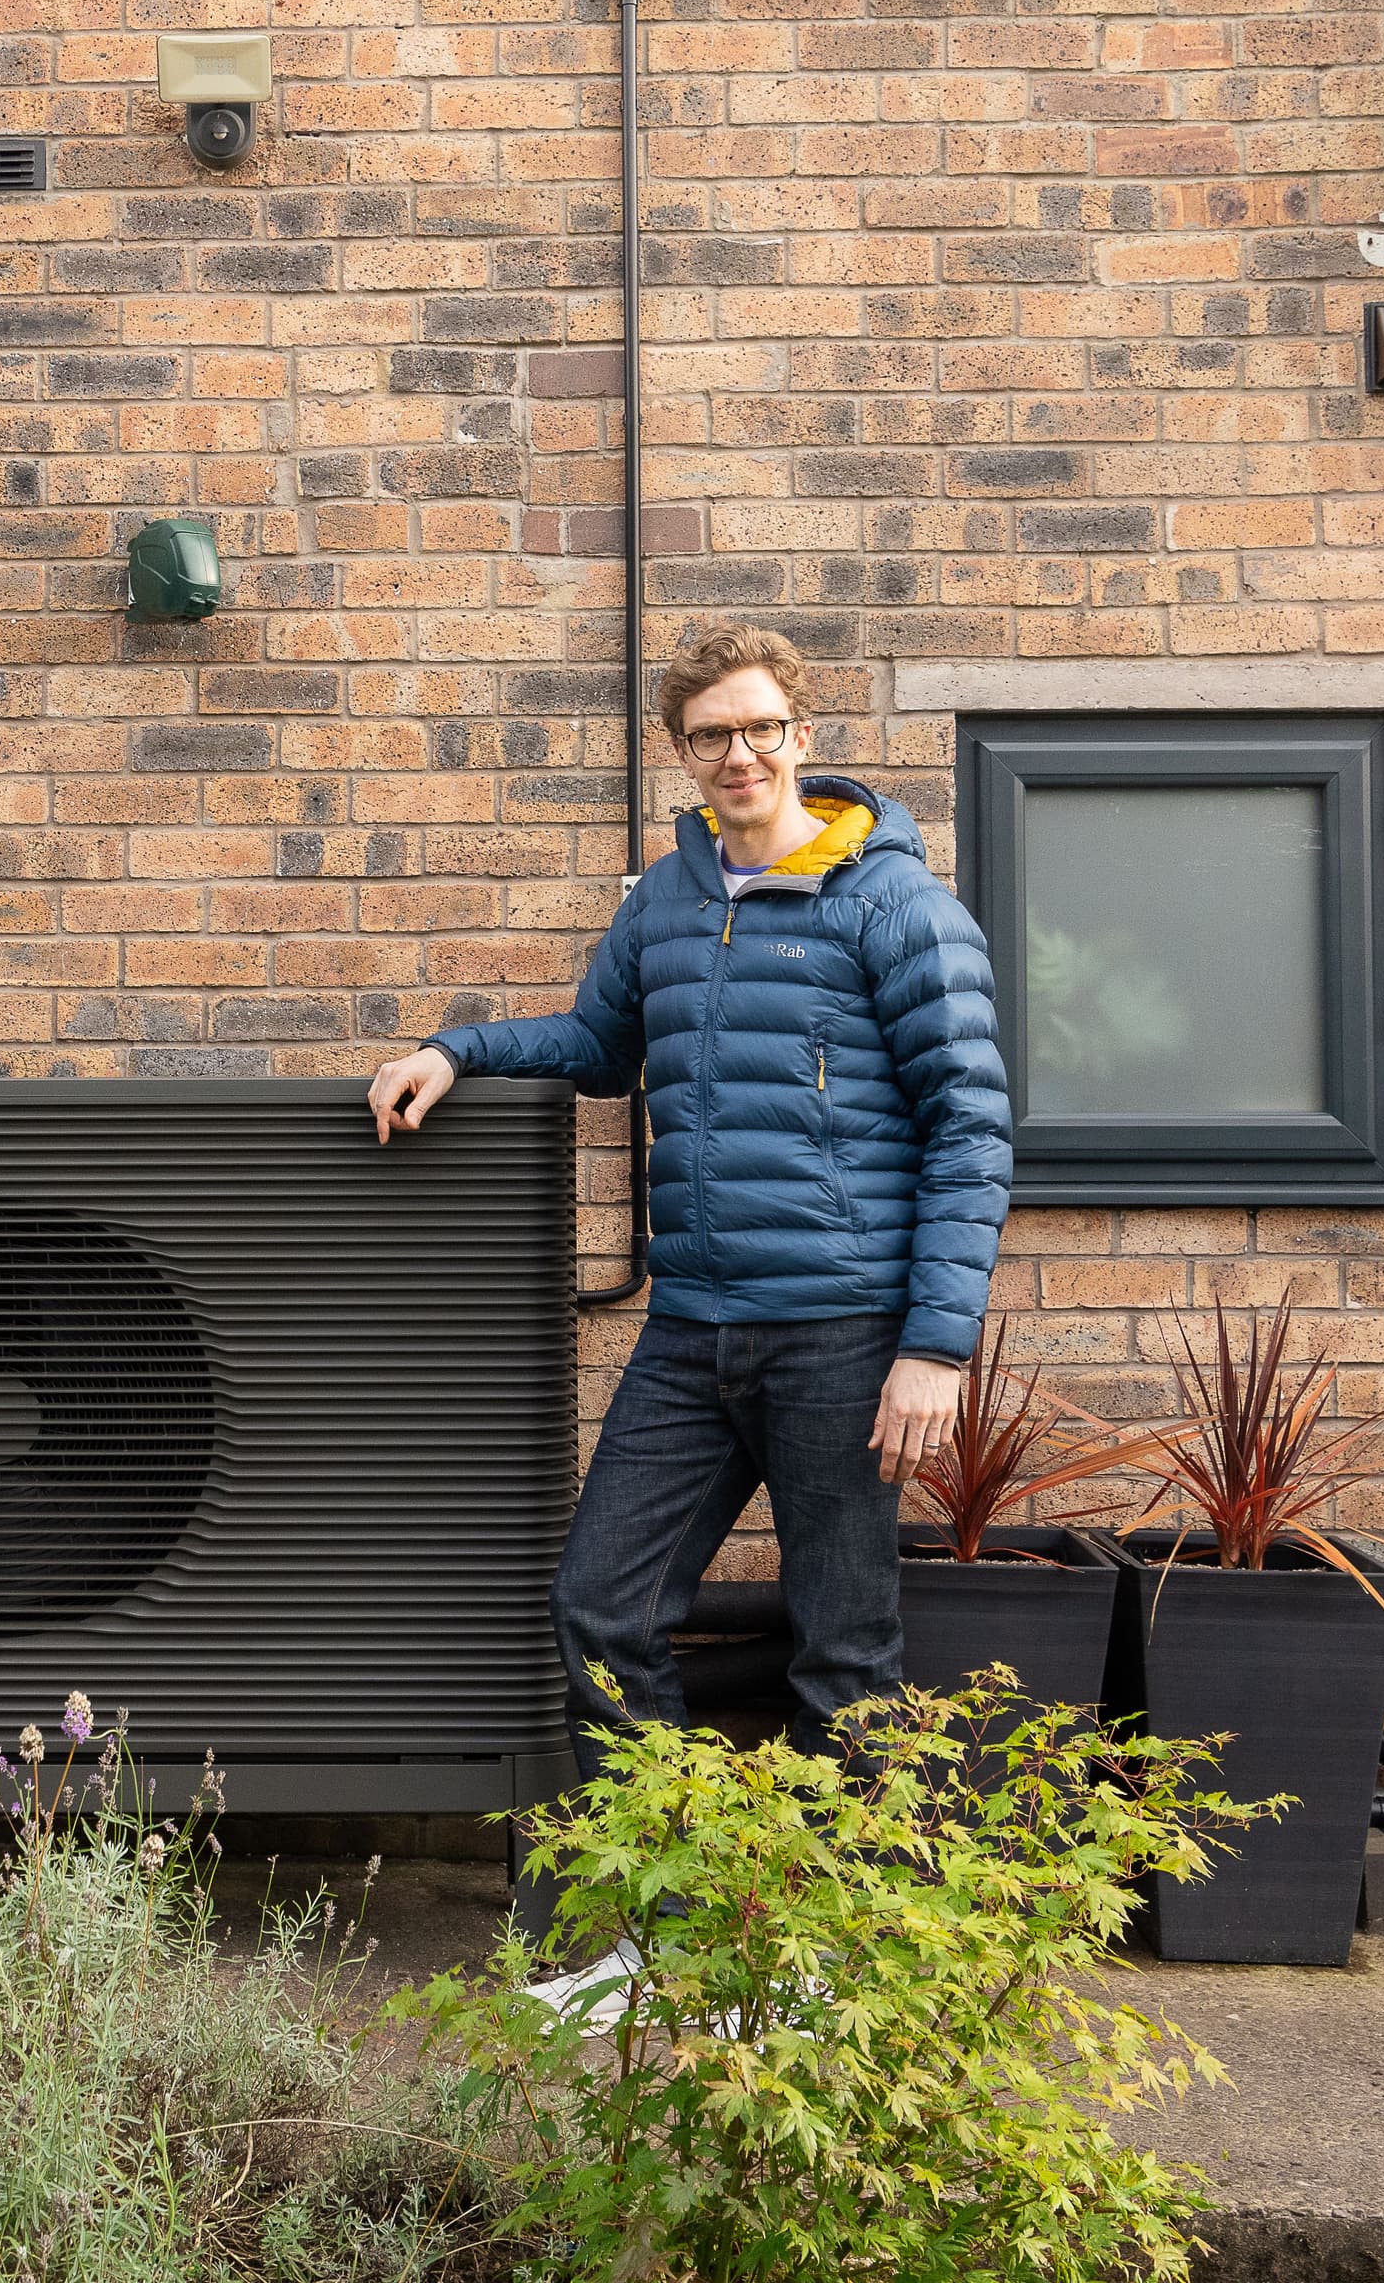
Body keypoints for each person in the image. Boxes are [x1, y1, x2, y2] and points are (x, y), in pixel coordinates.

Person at [364, 623, 1012, 1792]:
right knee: (602, 1608)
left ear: (801, 736)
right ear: (683, 751)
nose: (740, 755)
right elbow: (604, 1046)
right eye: (712, 735)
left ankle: (819, 1964)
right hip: (694, 1326)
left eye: (761, 728)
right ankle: (653, 1923)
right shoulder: (667, 900)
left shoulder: (895, 906)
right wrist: (456, 1051)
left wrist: (934, 1346)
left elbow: (968, 1128)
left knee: (845, 1651)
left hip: (844, 1335)